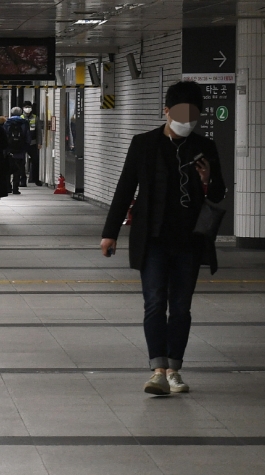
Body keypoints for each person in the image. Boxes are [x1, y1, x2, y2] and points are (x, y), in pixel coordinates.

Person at [100, 81, 226, 396]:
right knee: (155, 302)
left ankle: (174, 370)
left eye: (193, 116)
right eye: (181, 114)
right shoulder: (143, 144)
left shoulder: (205, 147)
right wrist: (109, 233)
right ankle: (158, 370)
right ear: (166, 111)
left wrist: (207, 180)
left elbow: (220, 192)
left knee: (181, 307)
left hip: (190, 240)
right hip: (153, 239)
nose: (187, 121)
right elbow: (125, 188)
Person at [3, 107, 31, 194]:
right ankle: (16, 188)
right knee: (18, 169)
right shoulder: (24, 123)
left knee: (7, 169)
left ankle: (8, 187)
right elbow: (28, 137)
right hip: (20, 150)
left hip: (9, 151)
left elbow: (4, 136)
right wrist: (25, 147)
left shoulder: (7, 123)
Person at [22, 100, 43, 187]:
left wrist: (39, 142)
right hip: (23, 143)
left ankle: (35, 179)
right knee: (21, 162)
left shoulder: (35, 118)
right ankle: (22, 180)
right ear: (23, 108)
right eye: (26, 107)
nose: (28, 109)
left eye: (29, 107)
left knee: (35, 161)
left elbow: (38, 131)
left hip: (33, 143)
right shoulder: (21, 117)